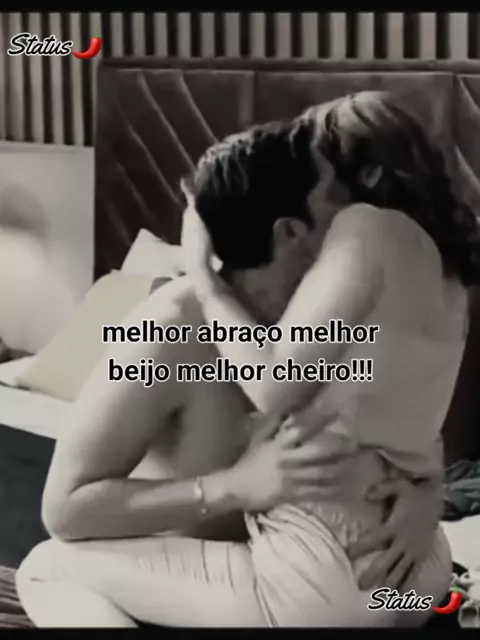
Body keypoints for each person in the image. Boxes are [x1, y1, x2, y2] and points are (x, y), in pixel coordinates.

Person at [16, 96, 452, 627]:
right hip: (227, 584)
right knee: (45, 566)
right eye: (339, 197)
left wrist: (427, 497)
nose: (363, 211)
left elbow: (409, 428)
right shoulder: (174, 324)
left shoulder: (335, 320)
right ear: (292, 232)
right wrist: (233, 487)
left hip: (326, 591)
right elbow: (65, 510)